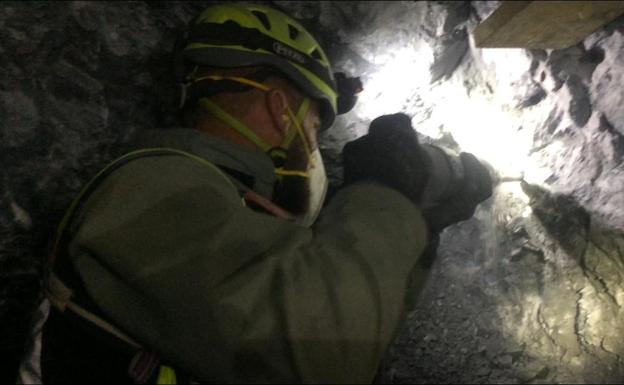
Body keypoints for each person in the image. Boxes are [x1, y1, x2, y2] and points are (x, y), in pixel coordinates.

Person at [24, 3, 492, 384]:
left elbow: (360, 331)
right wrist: (384, 194)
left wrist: (419, 224)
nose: (312, 143)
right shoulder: (148, 188)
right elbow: (323, 351)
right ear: (277, 106)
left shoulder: (224, 210)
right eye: (313, 123)